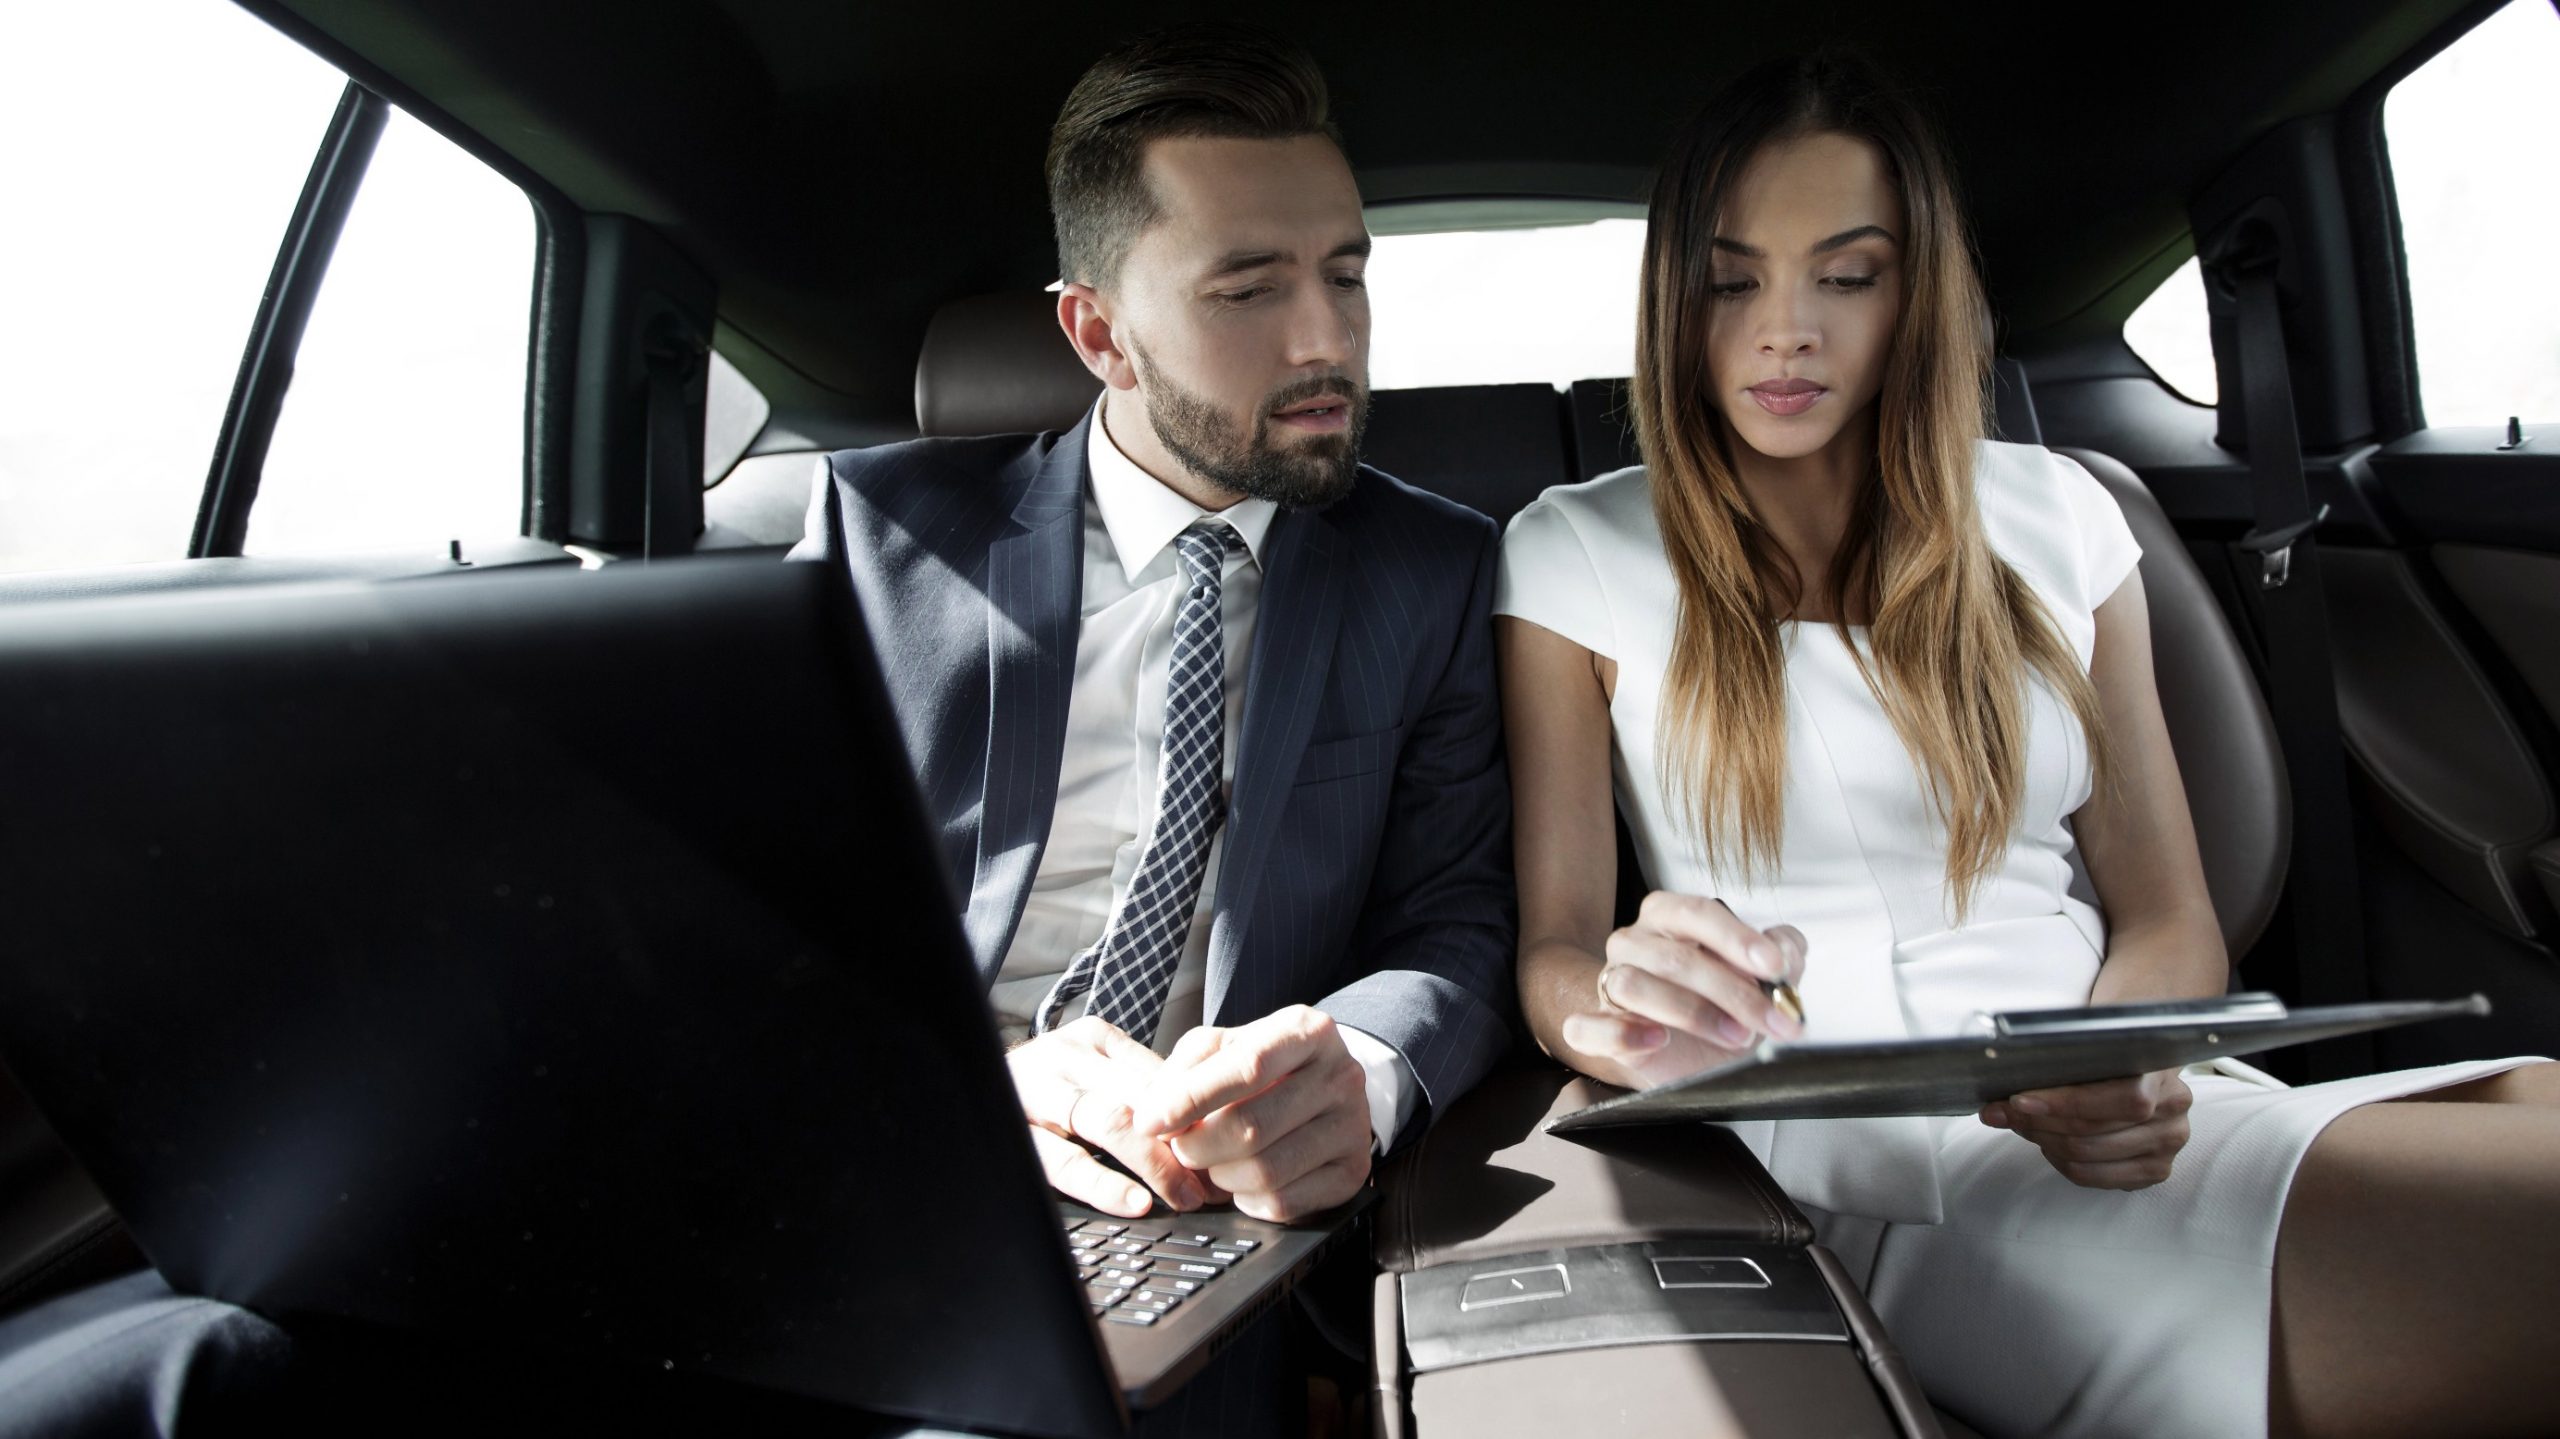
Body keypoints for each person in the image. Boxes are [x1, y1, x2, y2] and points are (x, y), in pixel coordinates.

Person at [1494, 53, 2558, 1439]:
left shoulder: (2058, 514)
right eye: (1733, 276)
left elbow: (2173, 914)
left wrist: (2119, 1056)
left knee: (2538, 1087)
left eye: (1848, 273)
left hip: (2129, 1110)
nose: (1785, 332)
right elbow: (1556, 951)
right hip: (1864, 1166)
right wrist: (1626, 1010)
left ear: (1915, 292)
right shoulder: (1573, 549)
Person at [793, 20, 1513, 1229]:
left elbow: (1459, 916)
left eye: (1345, 273)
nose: (1327, 338)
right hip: (903, 1151)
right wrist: (962, 1082)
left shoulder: (1432, 569)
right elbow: (768, 903)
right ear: (1099, 335)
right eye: (1248, 289)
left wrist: (1362, 1072)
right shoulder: (882, 538)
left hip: (1216, 1199)